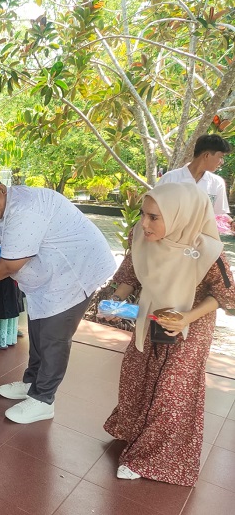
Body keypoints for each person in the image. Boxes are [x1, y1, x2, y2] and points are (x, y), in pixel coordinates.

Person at [0, 174, 116, 424]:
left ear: (2, 190)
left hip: (76, 272)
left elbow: (8, 265)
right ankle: (32, 382)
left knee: (53, 337)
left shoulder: (25, 209)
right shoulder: (3, 210)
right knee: (38, 329)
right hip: (51, 278)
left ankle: (43, 399)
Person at [103, 183, 235, 486]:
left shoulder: (208, 251)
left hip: (191, 326)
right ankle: (137, 434)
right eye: (143, 215)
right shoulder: (141, 237)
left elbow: (227, 298)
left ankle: (153, 459)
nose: (144, 224)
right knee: (136, 376)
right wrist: (117, 301)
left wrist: (186, 317)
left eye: (153, 217)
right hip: (150, 317)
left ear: (179, 216)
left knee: (173, 390)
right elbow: (130, 275)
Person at [157, 134, 233, 229]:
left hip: (202, 241)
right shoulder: (170, 179)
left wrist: (231, 223)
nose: (222, 162)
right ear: (207, 155)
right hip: (171, 239)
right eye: (220, 157)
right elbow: (154, 210)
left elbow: (219, 216)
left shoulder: (217, 183)